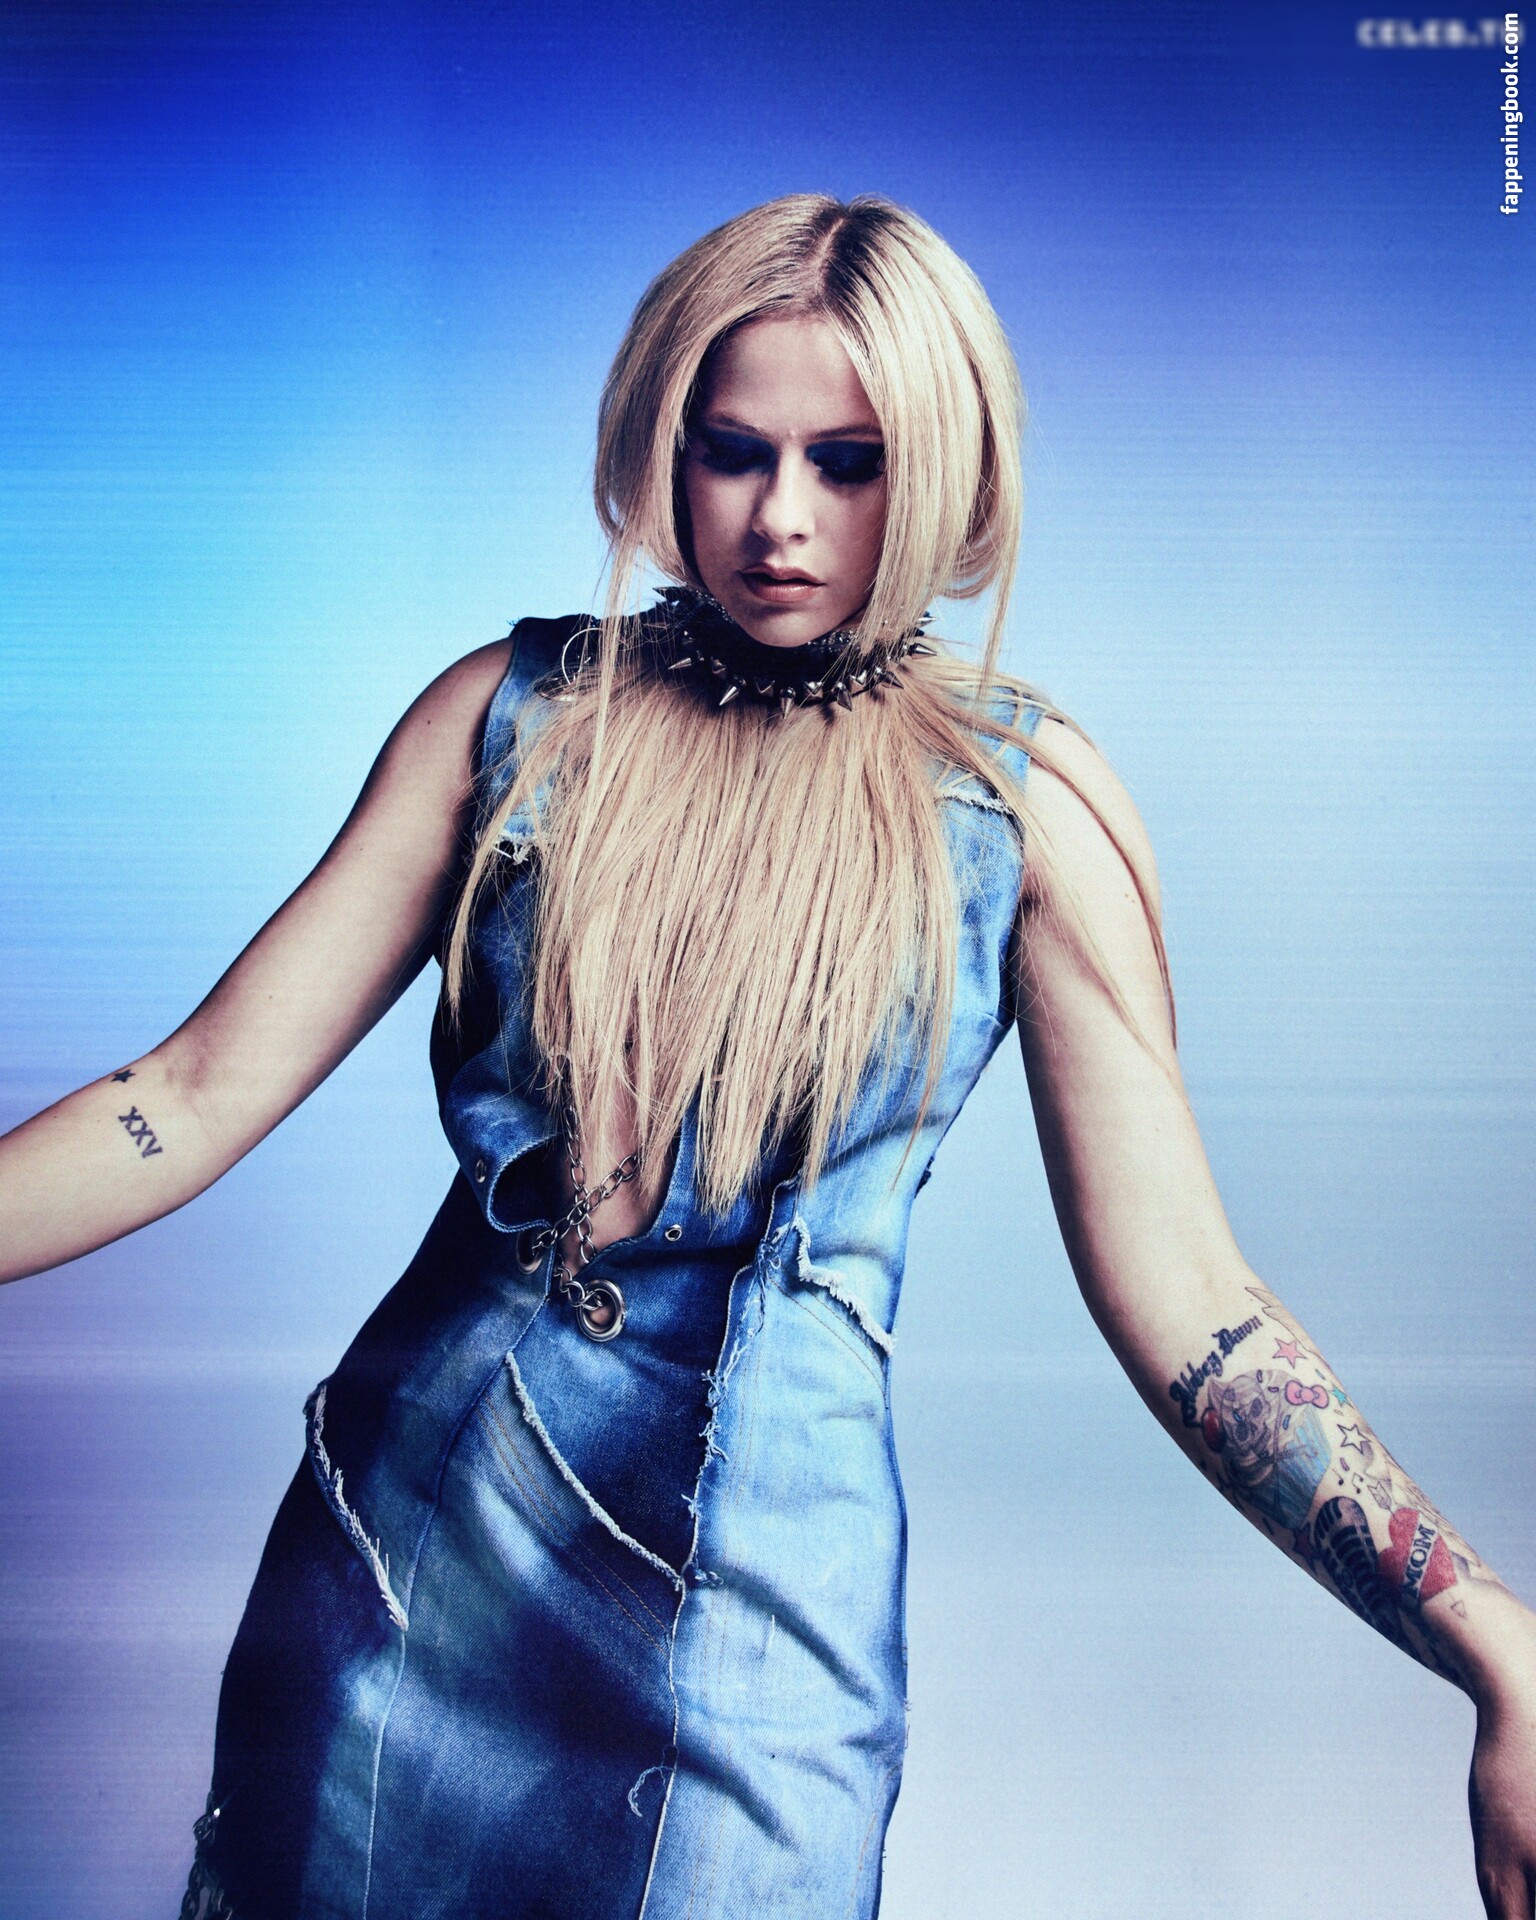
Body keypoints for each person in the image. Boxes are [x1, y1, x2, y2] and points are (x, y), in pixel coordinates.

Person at [0, 192, 1531, 1920]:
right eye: (732, 452)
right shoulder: (508, 719)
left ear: (941, 468)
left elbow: (1188, 1301)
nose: (780, 519)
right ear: (665, 447)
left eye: (849, 464)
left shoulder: (1025, 808)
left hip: (759, 1621)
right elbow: (187, 1096)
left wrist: (1492, 1643)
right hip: (410, 1561)